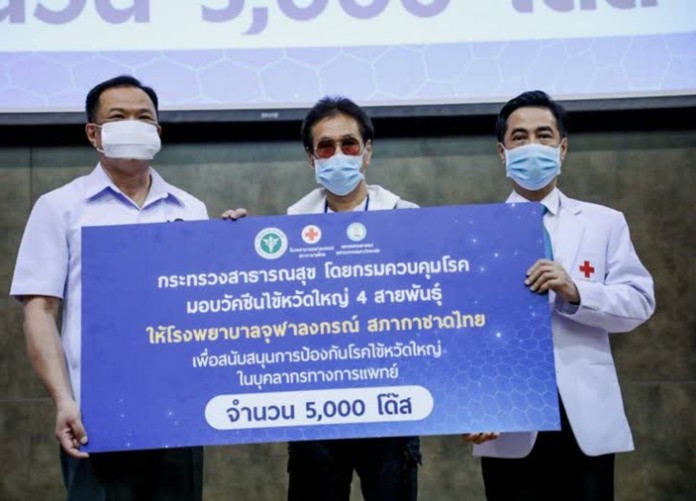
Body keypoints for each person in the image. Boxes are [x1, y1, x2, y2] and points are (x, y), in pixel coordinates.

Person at [10, 75, 209, 500]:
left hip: (178, 411)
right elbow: (39, 310)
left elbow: (205, 304)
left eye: (144, 118)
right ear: (93, 133)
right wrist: (64, 400)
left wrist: (234, 244)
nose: (133, 125)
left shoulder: (192, 210)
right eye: (118, 117)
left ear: (158, 131)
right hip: (94, 416)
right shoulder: (60, 207)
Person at [462, 90, 656, 501]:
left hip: (585, 414)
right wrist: (475, 403)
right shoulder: (474, 232)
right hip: (509, 415)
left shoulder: (604, 222)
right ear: (502, 152)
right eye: (519, 137)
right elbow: (463, 331)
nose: (532, 146)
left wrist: (576, 291)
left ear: (562, 148)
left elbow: (639, 302)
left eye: (544, 135)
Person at [285, 96, 421, 501]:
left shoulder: (410, 219)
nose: (339, 155)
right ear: (311, 159)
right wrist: (229, 239)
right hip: (315, 404)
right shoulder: (288, 228)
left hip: (391, 399)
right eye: (326, 147)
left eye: (349, 144)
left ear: (367, 152)